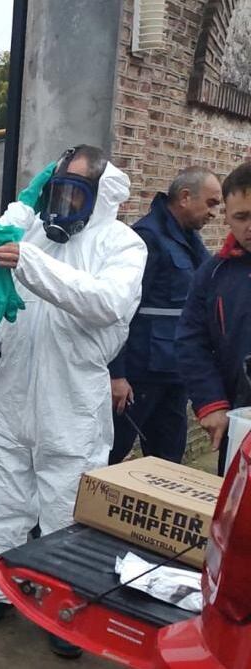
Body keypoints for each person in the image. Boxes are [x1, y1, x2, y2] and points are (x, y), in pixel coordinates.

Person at [0, 146, 146, 659]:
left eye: (73, 192)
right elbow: (4, 298)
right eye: (56, 191)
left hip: (73, 401)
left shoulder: (122, 244)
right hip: (15, 392)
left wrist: (31, 261)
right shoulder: (35, 234)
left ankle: (61, 609)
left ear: (99, 195)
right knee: (0, 502)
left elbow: (105, 303)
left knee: (64, 513)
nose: (61, 204)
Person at [108, 167, 221, 465]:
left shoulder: (189, 241)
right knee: (112, 453)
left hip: (175, 372)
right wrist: (116, 374)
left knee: (168, 459)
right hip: (138, 374)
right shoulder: (147, 238)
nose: (214, 213)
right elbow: (122, 308)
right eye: (211, 203)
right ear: (185, 197)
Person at [177, 161, 251, 476]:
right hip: (240, 421)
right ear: (227, 218)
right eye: (241, 217)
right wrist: (212, 403)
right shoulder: (213, 274)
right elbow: (191, 340)